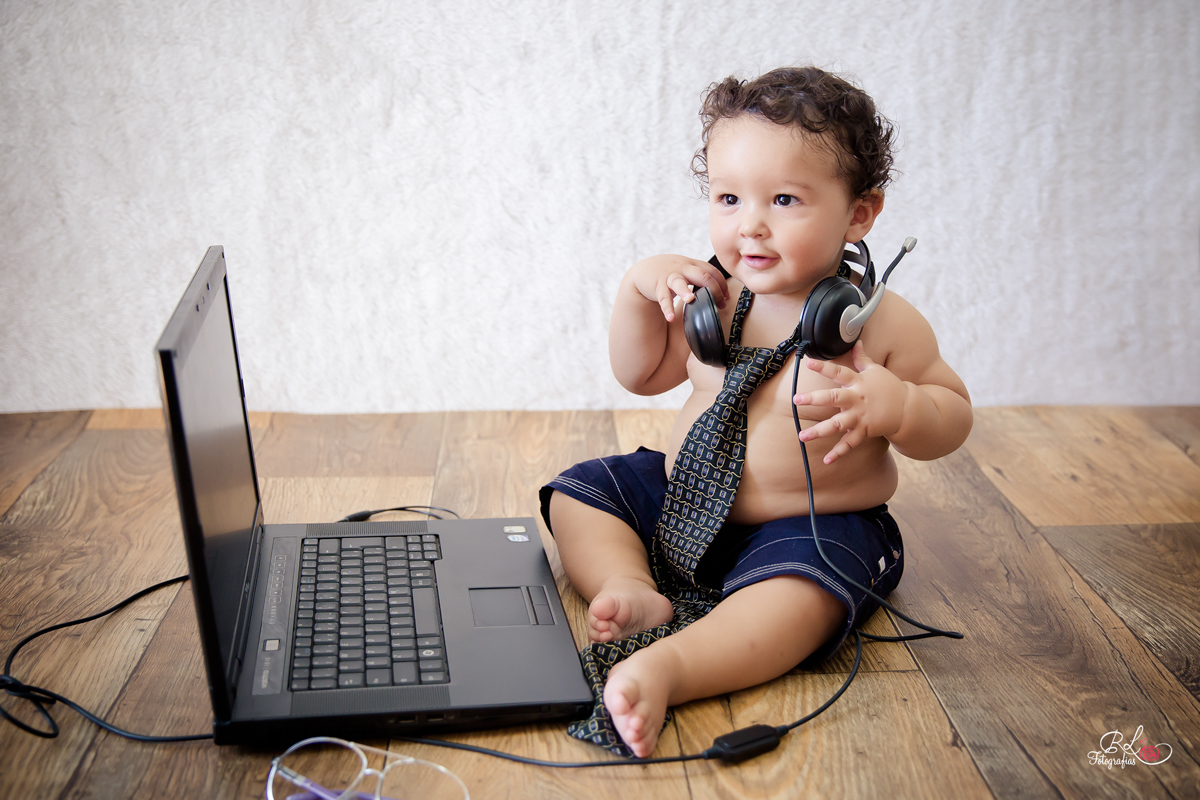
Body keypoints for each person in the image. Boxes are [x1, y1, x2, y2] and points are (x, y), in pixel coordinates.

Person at [539, 66, 973, 758]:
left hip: (808, 528)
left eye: (784, 199)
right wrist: (634, 292)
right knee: (583, 491)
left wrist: (898, 406)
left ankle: (673, 665)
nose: (752, 225)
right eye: (730, 197)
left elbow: (952, 415)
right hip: (686, 506)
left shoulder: (878, 323)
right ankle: (632, 587)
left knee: (806, 592)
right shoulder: (715, 298)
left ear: (858, 214)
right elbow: (641, 373)